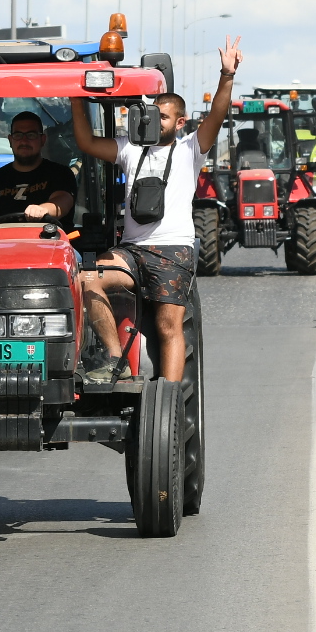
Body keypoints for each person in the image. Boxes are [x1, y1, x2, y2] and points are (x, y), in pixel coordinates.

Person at [73, 36, 242, 382]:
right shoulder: (128, 149)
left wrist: (226, 77)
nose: (155, 122)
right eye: (152, 115)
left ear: (180, 123)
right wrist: (75, 93)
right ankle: (114, 359)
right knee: (87, 277)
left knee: (168, 326)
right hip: (132, 251)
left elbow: (217, 114)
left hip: (173, 251)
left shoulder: (191, 149)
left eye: (163, 117)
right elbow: (86, 142)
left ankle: (170, 396)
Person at [0, 112, 76, 240]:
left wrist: (43, 209)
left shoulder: (60, 173)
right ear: (10, 140)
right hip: (4, 249)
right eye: (18, 135)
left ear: (42, 140)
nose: (24, 141)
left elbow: (63, 201)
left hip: (54, 246)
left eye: (31, 135)